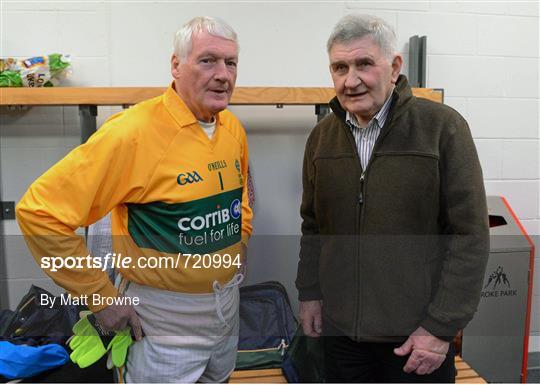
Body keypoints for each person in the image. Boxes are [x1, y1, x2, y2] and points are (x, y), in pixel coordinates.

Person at [16, 16, 252, 383]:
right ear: (176, 65)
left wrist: (240, 244)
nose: (223, 74)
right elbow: (38, 212)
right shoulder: (132, 134)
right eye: (208, 60)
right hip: (161, 319)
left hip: (226, 310)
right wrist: (102, 297)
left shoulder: (231, 128)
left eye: (231, 62)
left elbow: (240, 202)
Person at [296, 14, 489, 383]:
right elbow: (313, 226)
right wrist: (309, 294)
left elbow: (469, 236)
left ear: (395, 66)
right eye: (340, 67)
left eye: (364, 64)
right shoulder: (321, 138)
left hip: (416, 341)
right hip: (341, 339)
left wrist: (439, 327)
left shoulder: (442, 129)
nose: (351, 80)